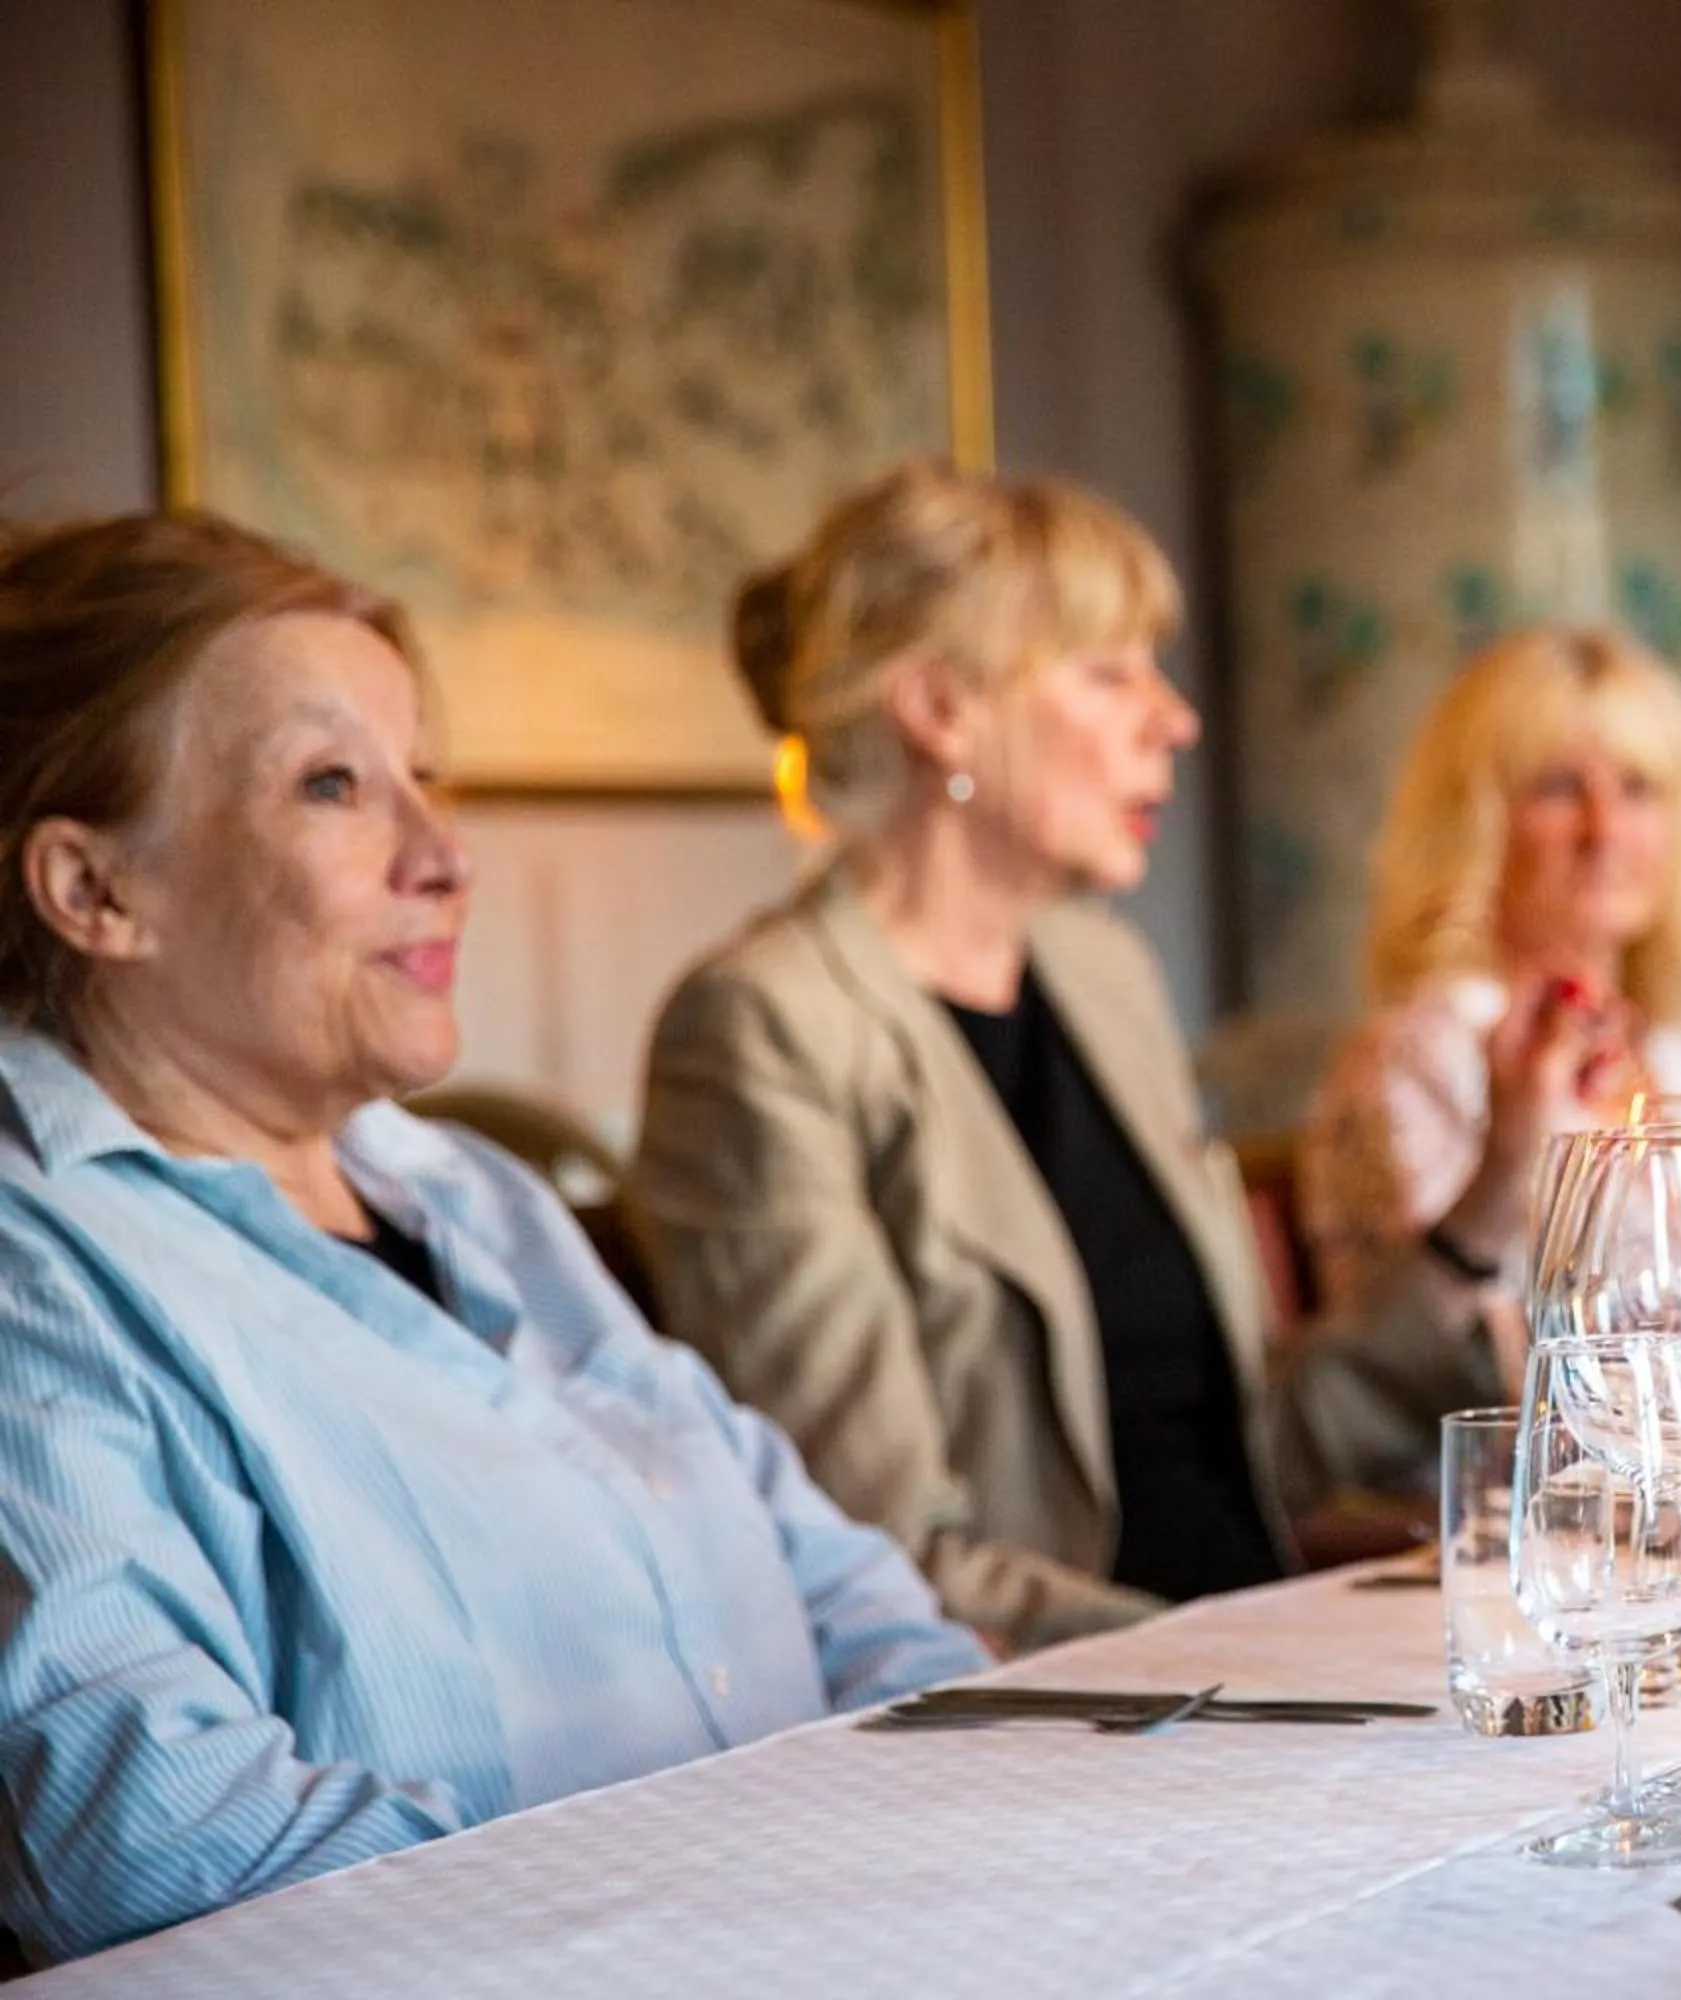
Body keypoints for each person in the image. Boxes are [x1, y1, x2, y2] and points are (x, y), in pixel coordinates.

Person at [0, 513, 986, 1966]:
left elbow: (834, 1580)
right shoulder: (42, 1273)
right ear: (97, 891)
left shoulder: (470, 1190)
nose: (445, 854)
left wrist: (991, 1803)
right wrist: (714, 1902)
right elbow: (154, 1842)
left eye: (426, 777)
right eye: (333, 785)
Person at [629, 464, 1495, 1647]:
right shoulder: (761, 1031)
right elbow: (882, 1557)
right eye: (1111, 674)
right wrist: (1267, 1658)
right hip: (1064, 1733)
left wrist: (1488, 1206)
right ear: (943, 708)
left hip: (1252, 1678)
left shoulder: (1104, 977)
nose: (1175, 718)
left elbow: (1247, 1450)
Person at [1300, 626, 1681, 1333]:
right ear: (1470, 823)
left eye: (1638, 788)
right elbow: (1430, 1363)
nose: (1605, 828)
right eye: (1559, 788)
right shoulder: (1417, 1060)